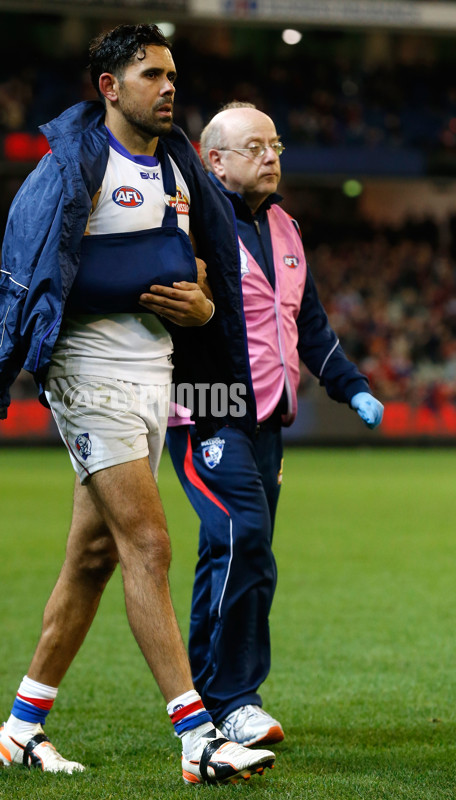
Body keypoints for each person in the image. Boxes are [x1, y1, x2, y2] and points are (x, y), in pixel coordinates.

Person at [0, 28, 276, 784]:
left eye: (172, 73)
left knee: (93, 557)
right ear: (110, 87)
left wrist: (204, 308)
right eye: (151, 74)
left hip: (154, 372)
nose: (168, 86)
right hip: (87, 377)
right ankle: (197, 735)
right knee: (151, 543)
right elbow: (36, 273)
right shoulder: (72, 167)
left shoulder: (179, 167)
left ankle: (20, 729)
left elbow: (202, 271)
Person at [166, 102, 384, 748]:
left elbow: (308, 324)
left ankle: (206, 693)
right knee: (248, 536)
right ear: (215, 160)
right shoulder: (188, 225)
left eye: (277, 145)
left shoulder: (286, 226)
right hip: (207, 407)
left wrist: (352, 386)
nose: (271, 156)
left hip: (267, 421)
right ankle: (234, 698)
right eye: (255, 146)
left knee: (231, 552)